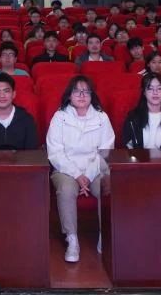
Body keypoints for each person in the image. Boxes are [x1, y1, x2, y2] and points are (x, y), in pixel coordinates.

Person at [46, 75, 114, 263]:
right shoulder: (60, 117)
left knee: (106, 186)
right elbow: (55, 152)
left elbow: (105, 151)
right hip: (66, 169)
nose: (82, 95)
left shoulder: (101, 117)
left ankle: (105, 234)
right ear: (69, 95)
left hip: (96, 168)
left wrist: (88, 175)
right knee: (66, 189)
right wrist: (77, 175)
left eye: (86, 91)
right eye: (77, 91)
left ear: (92, 95)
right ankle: (72, 239)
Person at [122, 73, 161, 149]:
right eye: (150, 88)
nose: (155, 92)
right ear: (144, 92)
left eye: (159, 88)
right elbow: (128, 147)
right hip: (138, 157)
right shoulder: (133, 118)